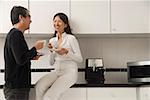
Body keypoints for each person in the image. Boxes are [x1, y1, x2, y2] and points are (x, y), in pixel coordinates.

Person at [35, 12, 83, 100]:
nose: (56, 23)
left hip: (69, 73)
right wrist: (51, 51)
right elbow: (51, 62)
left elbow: (80, 59)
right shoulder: (52, 40)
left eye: (59, 21)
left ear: (65, 25)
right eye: (55, 21)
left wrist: (66, 52)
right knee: (39, 86)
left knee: (49, 97)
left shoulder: (71, 39)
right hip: (57, 71)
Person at [3, 6, 44, 100]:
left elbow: (20, 57)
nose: (31, 20)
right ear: (21, 17)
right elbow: (21, 59)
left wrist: (32, 56)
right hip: (17, 88)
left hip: (16, 88)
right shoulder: (16, 34)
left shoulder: (15, 34)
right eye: (29, 16)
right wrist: (35, 48)